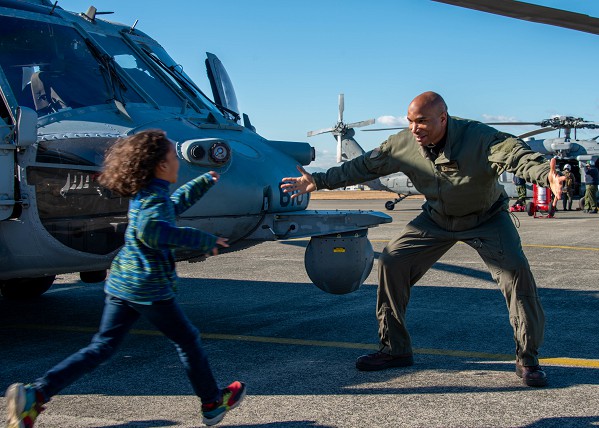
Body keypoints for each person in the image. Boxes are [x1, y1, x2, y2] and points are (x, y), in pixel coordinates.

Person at [281, 91, 564, 388]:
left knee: (516, 274)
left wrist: (547, 176)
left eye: (422, 122)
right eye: (410, 121)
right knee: (392, 260)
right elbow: (362, 167)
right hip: (437, 218)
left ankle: (528, 358)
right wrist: (319, 180)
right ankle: (394, 349)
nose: (414, 128)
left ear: (443, 118)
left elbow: (518, 156)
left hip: (486, 219)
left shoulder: (481, 137)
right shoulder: (403, 143)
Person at [5, 130, 246, 427]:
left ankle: (36, 396)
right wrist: (203, 240)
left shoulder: (148, 193)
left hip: (124, 283)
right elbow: (153, 231)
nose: (178, 163)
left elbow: (172, 207)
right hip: (149, 286)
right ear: (160, 165)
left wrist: (202, 182)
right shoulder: (153, 201)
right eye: (173, 157)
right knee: (188, 341)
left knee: (101, 346)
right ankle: (211, 403)